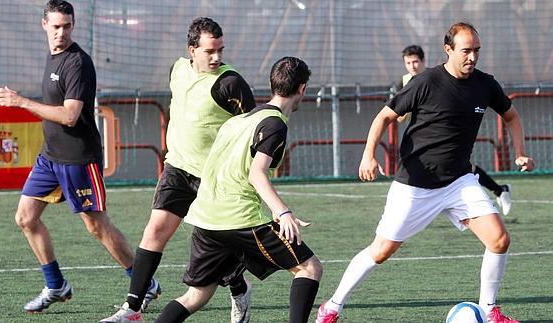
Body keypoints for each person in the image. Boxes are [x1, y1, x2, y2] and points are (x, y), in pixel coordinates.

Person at [316, 22, 534, 323]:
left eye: (477, 51)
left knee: (499, 239)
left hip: (459, 181)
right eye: (466, 51)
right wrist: (368, 155)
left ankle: (488, 310)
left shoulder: (485, 84)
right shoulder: (426, 82)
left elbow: (511, 116)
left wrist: (520, 151)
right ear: (448, 50)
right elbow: (384, 117)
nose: (472, 57)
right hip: (415, 186)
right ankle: (332, 307)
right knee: (380, 251)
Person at [0, 0, 160, 314]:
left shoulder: (77, 63)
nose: (61, 33)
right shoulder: (53, 55)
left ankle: (144, 283)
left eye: (67, 26)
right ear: (44, 25)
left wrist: (21, 101)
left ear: (73, 25)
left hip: (79, 159)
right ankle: (56, 284)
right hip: (51, 157)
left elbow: (70, 116)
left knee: (97, 227)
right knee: (25, 218)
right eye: (56, 26)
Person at [100, 17, 256, 323]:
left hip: (215, 180)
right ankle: (132, 309)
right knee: (155, 230)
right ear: (192, 49)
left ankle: (239, 287)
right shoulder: (178, 69)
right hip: (178, 168)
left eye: (221, 50)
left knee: (213, 250)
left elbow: (252, 128)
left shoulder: (231, 82)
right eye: (210, 50)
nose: (217, 57)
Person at [153, 56, 322, 323]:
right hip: (238, 218)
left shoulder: (238, 120)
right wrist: (283, 212)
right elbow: (257, 174)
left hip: (205, 217)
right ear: (302, 89)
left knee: (195, 296)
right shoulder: (275, 124)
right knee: (309, 268)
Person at [398, 44, 513, 215]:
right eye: (408, 63)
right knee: (460, 169)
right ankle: (499, 189)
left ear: (423, 61)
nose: (412, 66)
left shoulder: (434, 78)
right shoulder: (406, 81)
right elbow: (399, 117)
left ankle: (497, 191)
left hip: (452, 133)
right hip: (422, 137)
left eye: (415, 62)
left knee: (462, 168)